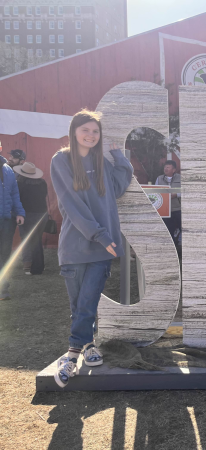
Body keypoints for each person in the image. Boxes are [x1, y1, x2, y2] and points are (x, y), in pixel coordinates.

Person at [50, 109, 133, 387]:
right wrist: (98, 234)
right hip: (75, 245)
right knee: (80, 306)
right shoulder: (61, 161)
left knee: (87, 301)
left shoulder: (102, 163)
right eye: (85, 130)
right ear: (74, 131)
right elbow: (72, 206)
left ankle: (71, 356)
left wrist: (119, 157)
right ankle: (88, 347)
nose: (90, 135)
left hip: (103, 247)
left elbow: (119, 187)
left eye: (95, 131)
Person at [13, 162, 48, 275]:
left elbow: (17, 199)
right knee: (37, 240)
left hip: (27, 214)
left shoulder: (19, 184)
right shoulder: (42, 183)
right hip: (42, 214)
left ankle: (29, 265)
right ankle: (39, 265)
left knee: (27, 240)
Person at [0, 150, 25, 300]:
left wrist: (20, 212)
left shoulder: (8, 170)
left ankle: (3, 289)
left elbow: (15, 194)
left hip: (8, 220)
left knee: (5, 254)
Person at [155, 160, 181, 246]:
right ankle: (172, 249)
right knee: (169, 231)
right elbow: (155, 192)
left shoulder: (180, 178)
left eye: (168, 167)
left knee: (184, 229)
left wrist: (176, 195)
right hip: (165, 211)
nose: (165, 169)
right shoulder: (159, 178)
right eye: (165, 167)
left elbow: (187, 190)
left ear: (174, 170)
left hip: (178, 209)